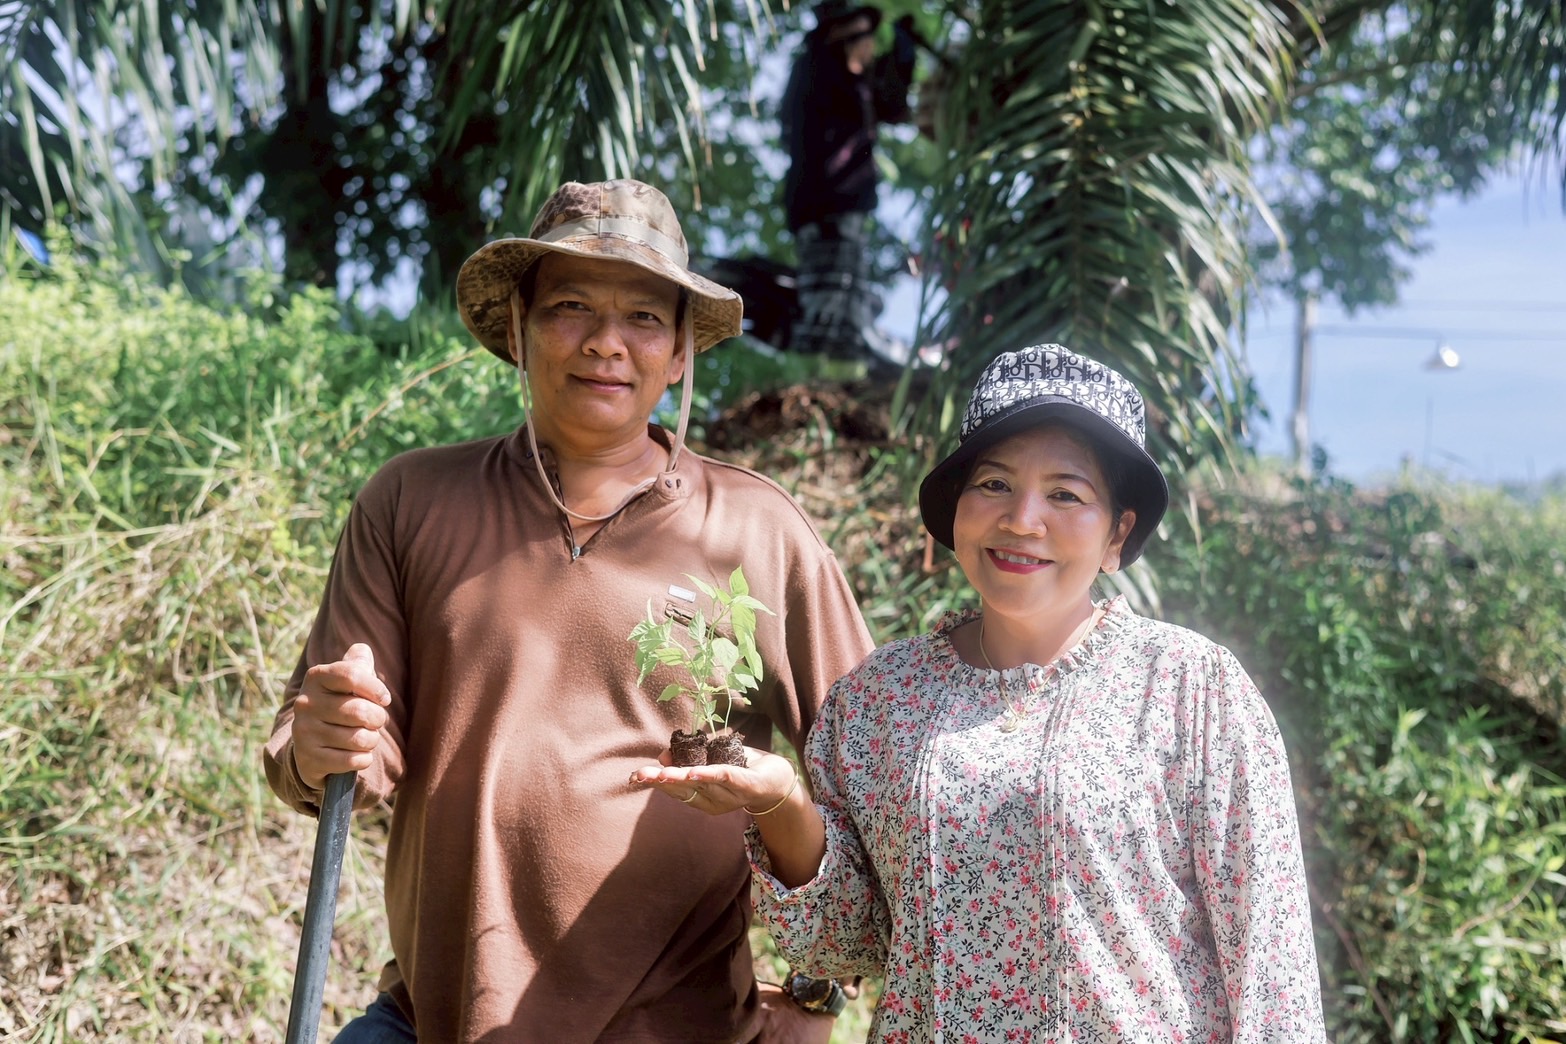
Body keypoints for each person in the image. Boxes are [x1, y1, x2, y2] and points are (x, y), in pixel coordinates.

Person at [263, 178, 876, 1042]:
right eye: (571, 307)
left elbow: (876, 789)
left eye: (644, 320)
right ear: (518, 329)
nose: (605, 345)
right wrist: (322, 739)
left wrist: (816, 994)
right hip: (435, 1017)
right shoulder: (411, 501)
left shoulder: (758, 531)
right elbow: (322, 749)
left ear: (678, 356)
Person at [633, 344, 1329, 1040]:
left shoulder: (1191, 691)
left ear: (1118, 533)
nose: (1023, 519)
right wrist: (783, 802)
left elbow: (1273, 972)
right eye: (994, 484)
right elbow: (843, 944)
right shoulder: (878, 701)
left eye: (1066, 493)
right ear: (958, 509)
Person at [780, 0, 917, 370]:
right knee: (829, 302)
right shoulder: (818, 71)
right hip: (826, 207)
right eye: (863, 36)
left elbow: (891, 104)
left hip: (842, 207)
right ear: (840, 36)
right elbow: (879, 99)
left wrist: (903, 51)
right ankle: (819, 380)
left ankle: (837, 375)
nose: (869, 46)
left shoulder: (848, 84)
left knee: (844, 297)